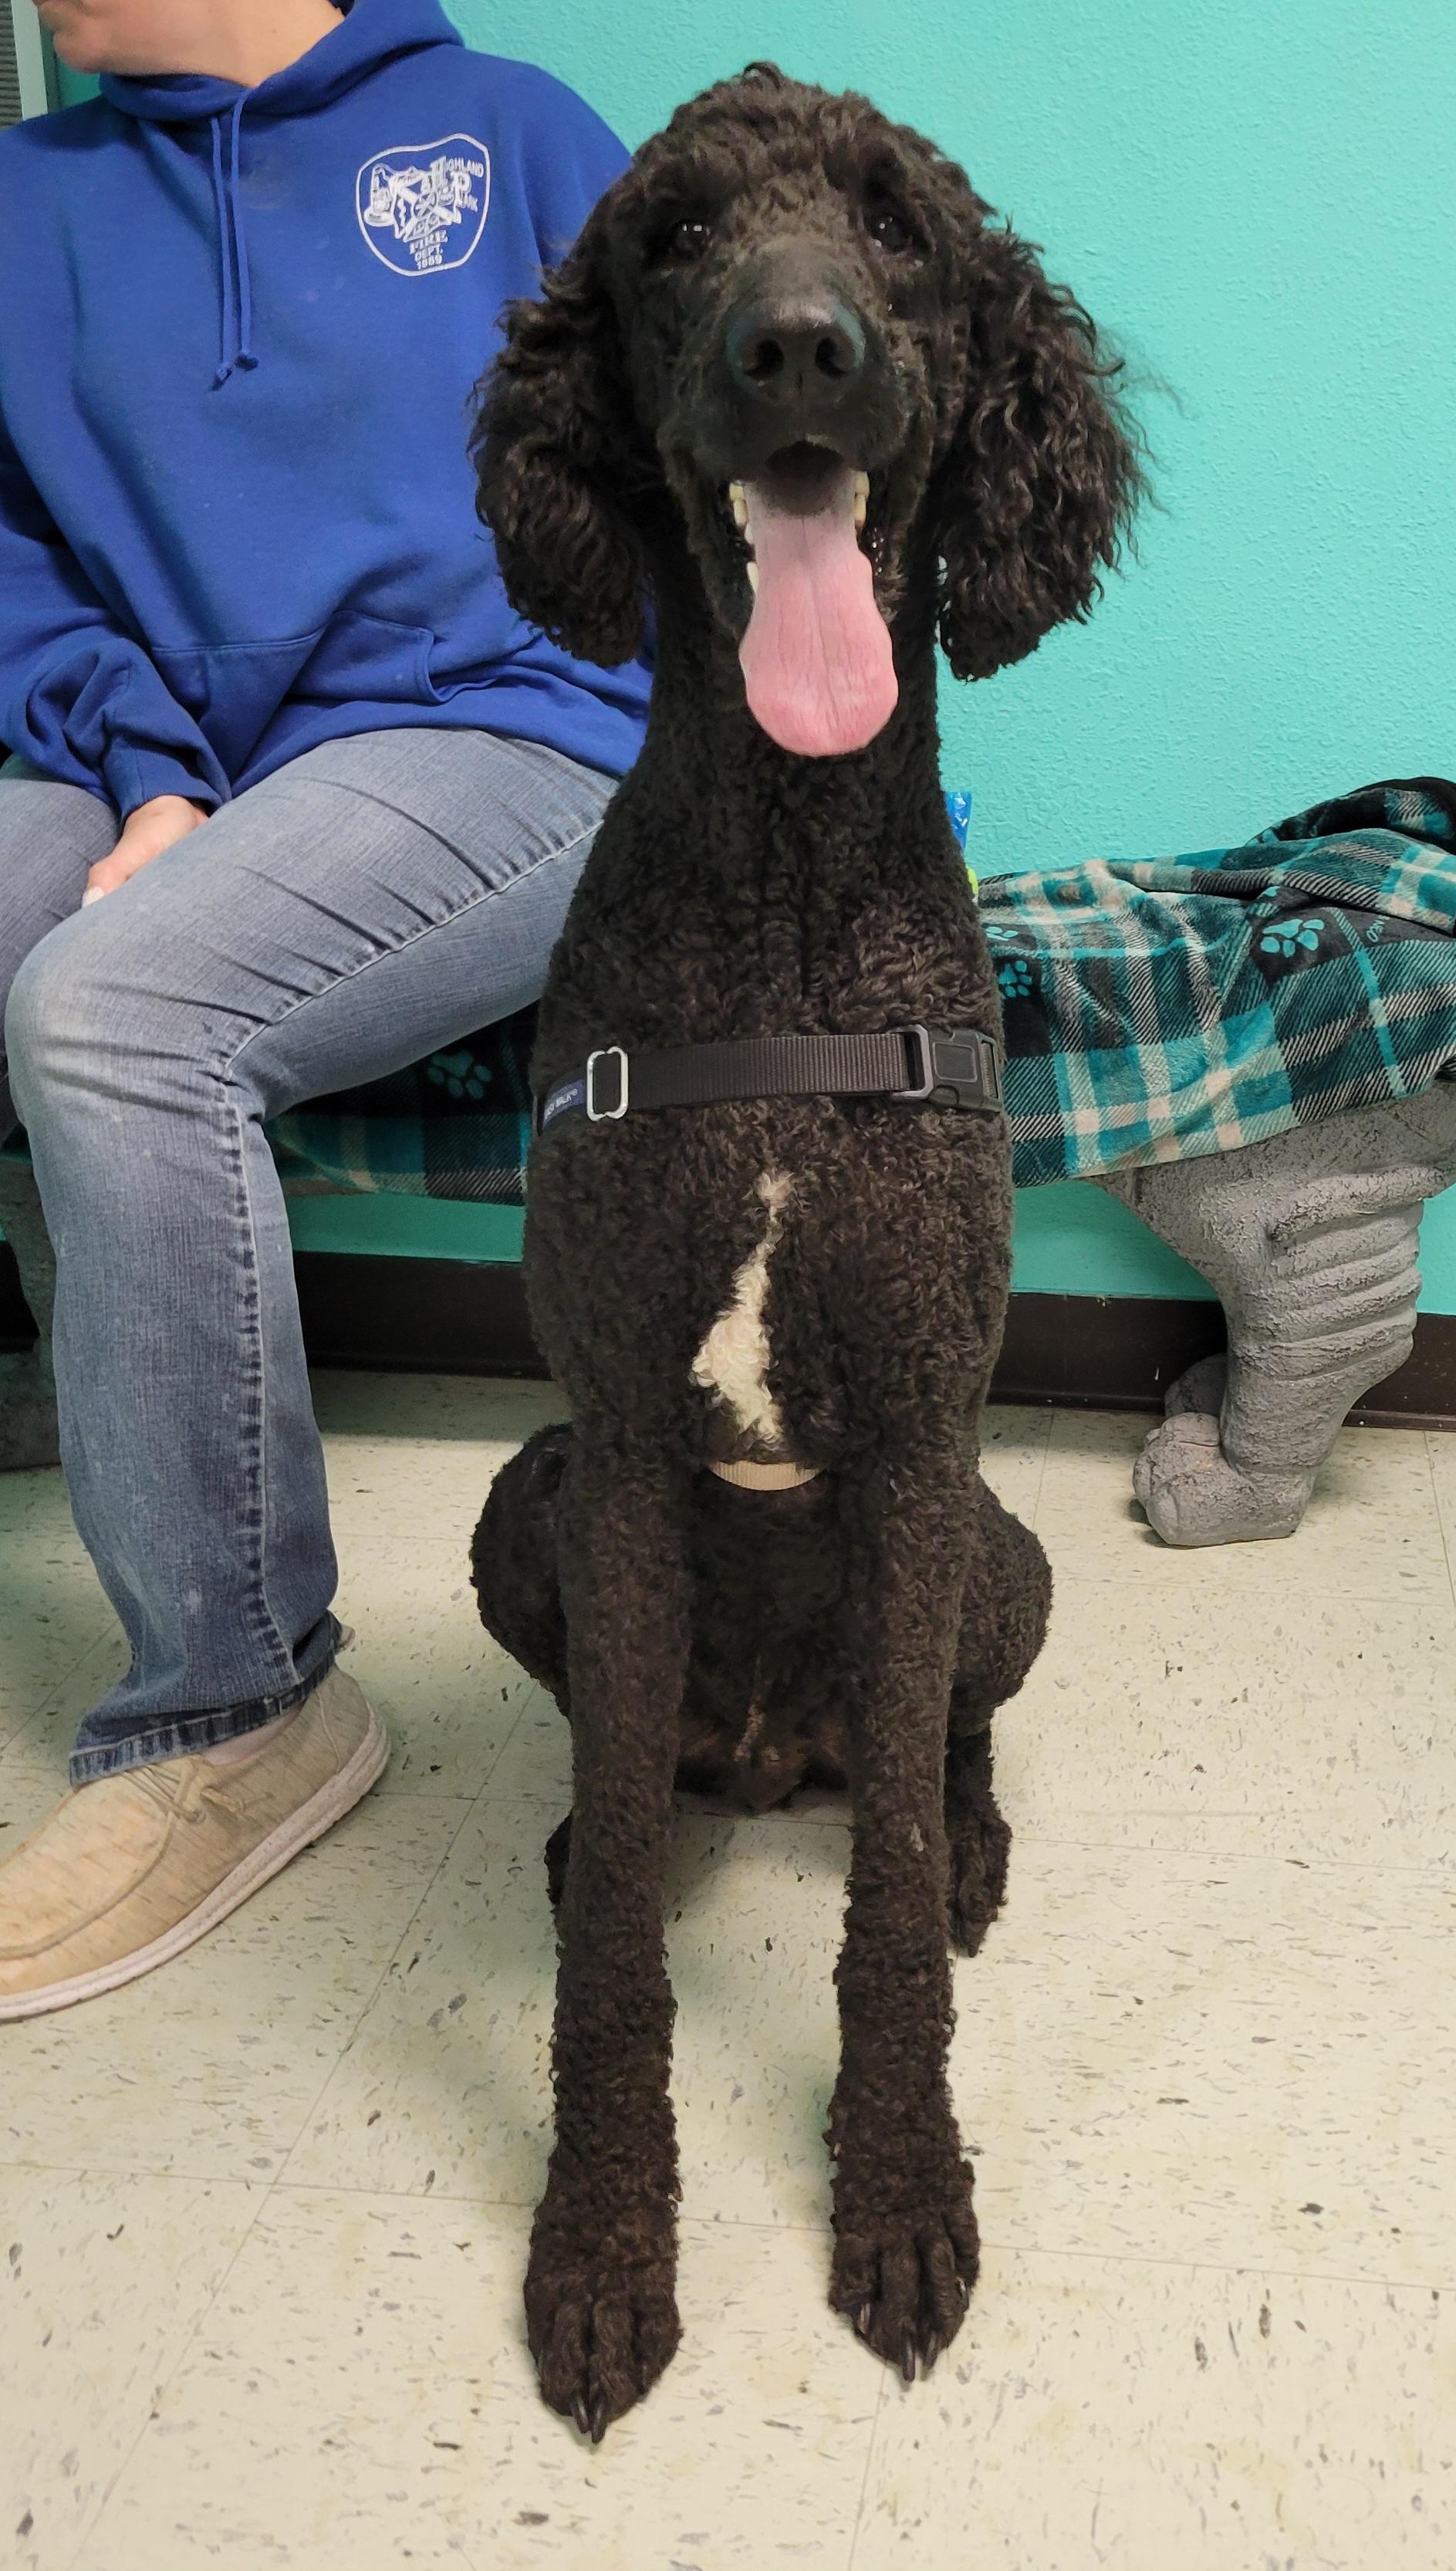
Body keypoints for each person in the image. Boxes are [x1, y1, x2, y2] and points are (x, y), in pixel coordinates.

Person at [0, 0, 648, 2019]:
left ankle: (236, 1700)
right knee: (96, 943)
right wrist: (148, 766)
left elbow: (696, 493)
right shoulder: (24, 204)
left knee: (118, 1010)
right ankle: (57, 1372)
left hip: (513, 737)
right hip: (183, 753)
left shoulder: (513, 135)